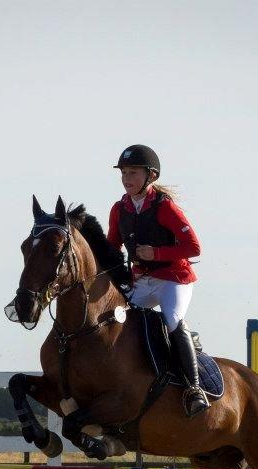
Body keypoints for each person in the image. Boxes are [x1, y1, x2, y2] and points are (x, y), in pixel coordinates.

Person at [106, 144, 209, 417]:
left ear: (151, 176)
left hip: (174, 279)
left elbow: (194, 247)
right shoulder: (119, 209)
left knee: (172, 319)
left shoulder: (165, 208)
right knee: (115, 319)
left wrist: (156, 253)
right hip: (143, 280)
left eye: (133, 173)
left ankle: (194, 388)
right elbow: (111, 247)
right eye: (124, 173)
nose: (127, 178)